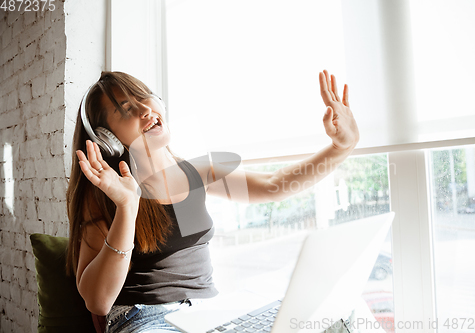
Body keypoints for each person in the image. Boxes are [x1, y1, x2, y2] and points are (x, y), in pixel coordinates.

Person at [66, 70, 359, 333]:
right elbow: (98, 301)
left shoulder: (198, 171)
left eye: (144, 98)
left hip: (208, 314)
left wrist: (340, 147)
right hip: (145, 319)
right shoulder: (105, 193)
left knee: (332, 321)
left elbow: (274, 186)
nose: (145, 109)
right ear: (108, 138)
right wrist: (127, 207)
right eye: (126, 108)